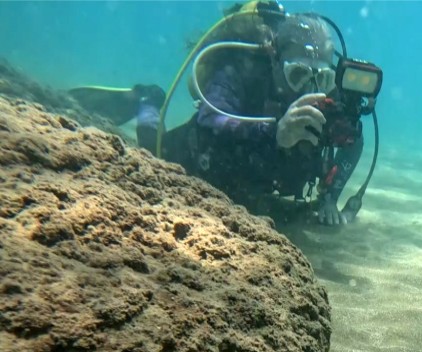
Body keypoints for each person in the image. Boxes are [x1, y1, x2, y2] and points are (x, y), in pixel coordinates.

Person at [71, 2, 377, 226]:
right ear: (275, 59)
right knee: (151, 152)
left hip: (254, 186)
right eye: (297, 74)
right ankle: (147, 100)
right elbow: (210, 118)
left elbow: (354, 140)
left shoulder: (328, 97)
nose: (309, 88)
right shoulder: (242, 71)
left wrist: (329, 197)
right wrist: (275, 133)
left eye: (322, 77)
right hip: (199, 158)